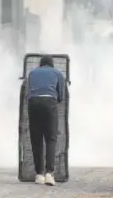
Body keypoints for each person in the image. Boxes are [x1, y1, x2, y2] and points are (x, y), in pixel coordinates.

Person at [27, 54, 65, 186]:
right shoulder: (57, 73)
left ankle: (39, 174)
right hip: (49, 103)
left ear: (41, 64)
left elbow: (28, 92)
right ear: (52, 64)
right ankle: (49, 173)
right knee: (50, 138)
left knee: (36, 139)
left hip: (33, 104)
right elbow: (60, 95)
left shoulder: (32, 73)